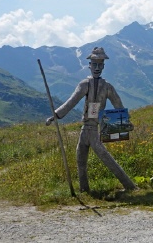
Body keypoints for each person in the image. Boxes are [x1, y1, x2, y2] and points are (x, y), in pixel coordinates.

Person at [46, 47, 137, 193]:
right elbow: (71, 102)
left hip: (94, 129)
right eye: (94, 64)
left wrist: (126, 122)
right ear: (89, 65)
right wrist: (55, 116)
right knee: (80, 157)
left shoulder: (107, 87)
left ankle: (129, 186)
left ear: (103, 66)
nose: (97, 68)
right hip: (85, 129)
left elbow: (118, 105)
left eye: (100, 65)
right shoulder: (84, 84)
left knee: (105, 157)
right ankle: (84, 188)